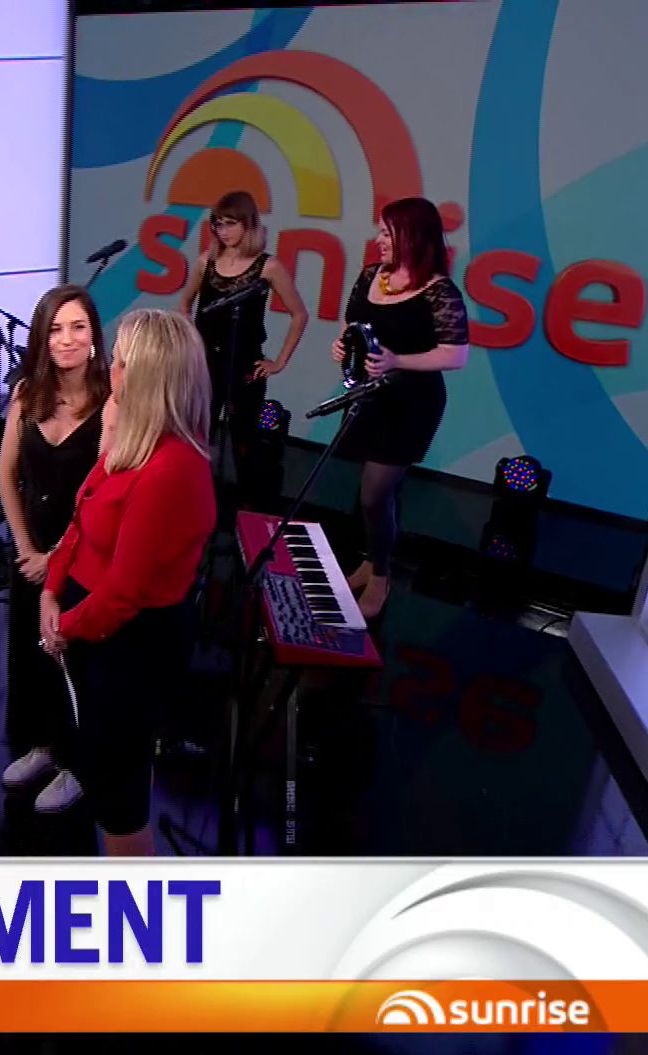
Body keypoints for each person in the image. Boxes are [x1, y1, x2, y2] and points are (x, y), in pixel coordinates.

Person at [41, 308, 215, 857]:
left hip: (127, 646)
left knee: (118, 788)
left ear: (143, 377)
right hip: (93, 632)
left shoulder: (171, 469)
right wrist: (51, 589)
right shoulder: (135, 439)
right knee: (109, 768)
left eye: (117, 362)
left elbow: (125, 592)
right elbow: (81, 513)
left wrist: (63, 628)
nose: (107, 369)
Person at [327, 196, 470, 620]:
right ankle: (371, 560)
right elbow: (353, 324)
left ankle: (382, 575)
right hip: (369, 398)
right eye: (380, 232)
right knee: (375, 493)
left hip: (410, 404)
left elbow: (455, 354)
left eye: (388, 233)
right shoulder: (371, 276)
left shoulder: (439, 291)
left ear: (413, 236)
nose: (380, 240)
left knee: (375, 494)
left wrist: (397, 360)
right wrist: (343, 346)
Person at [0, 284, 108, 814]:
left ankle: (77, 764)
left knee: (76, 660)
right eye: (55, 329)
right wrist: (25, 547)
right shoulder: (27, 394)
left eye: (78, 327)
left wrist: (55, 558)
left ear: (94, 335)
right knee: (32, 654)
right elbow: (6, 476)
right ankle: (42, 746)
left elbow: (103, 497)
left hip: (86, 555)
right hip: (31, 555)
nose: (66, 339)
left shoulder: (113, 401)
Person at [175, 190, 308, 469]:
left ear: (248, 224)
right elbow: (184, 305)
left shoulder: (268, 267)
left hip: (245, 366)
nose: (223, 231)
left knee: (244, 441)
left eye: (230, 223)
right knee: (198, 438)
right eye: (218, 224)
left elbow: (299, 314)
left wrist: (279, 362)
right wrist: (192, 344)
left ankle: (247, 493)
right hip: (205, 364)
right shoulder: (205, 262)